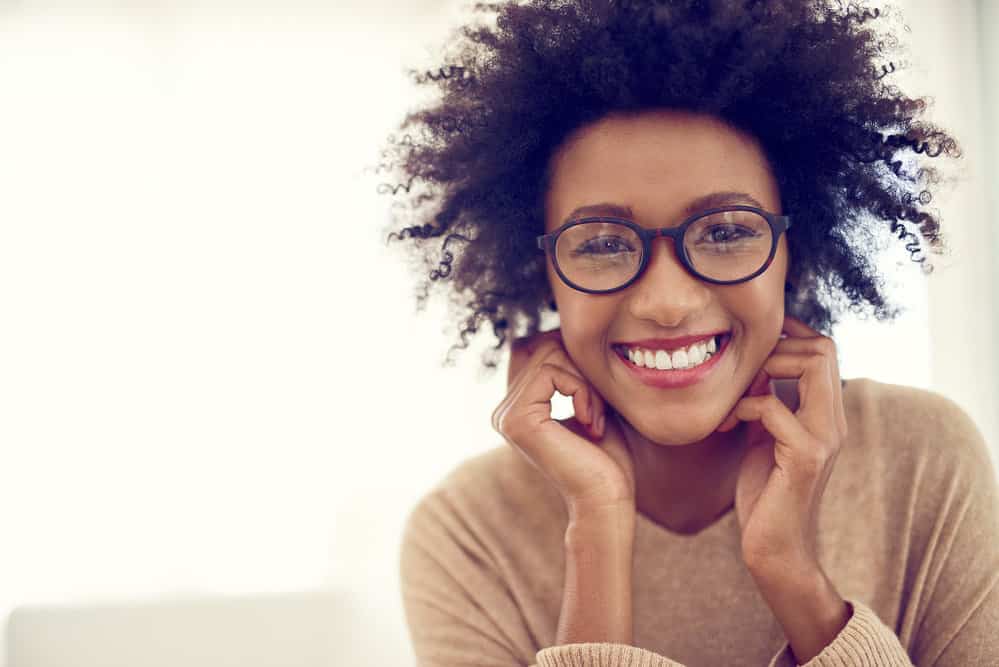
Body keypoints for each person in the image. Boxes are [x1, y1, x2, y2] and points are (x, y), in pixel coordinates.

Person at [376, 1, 999, 665]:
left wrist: (789, 569)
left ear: (796, 248)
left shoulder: (921, 458)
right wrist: (596, 524)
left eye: (726, 231)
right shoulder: (467, 535)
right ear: (542, 271)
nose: (667, 302)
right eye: (602, 243)